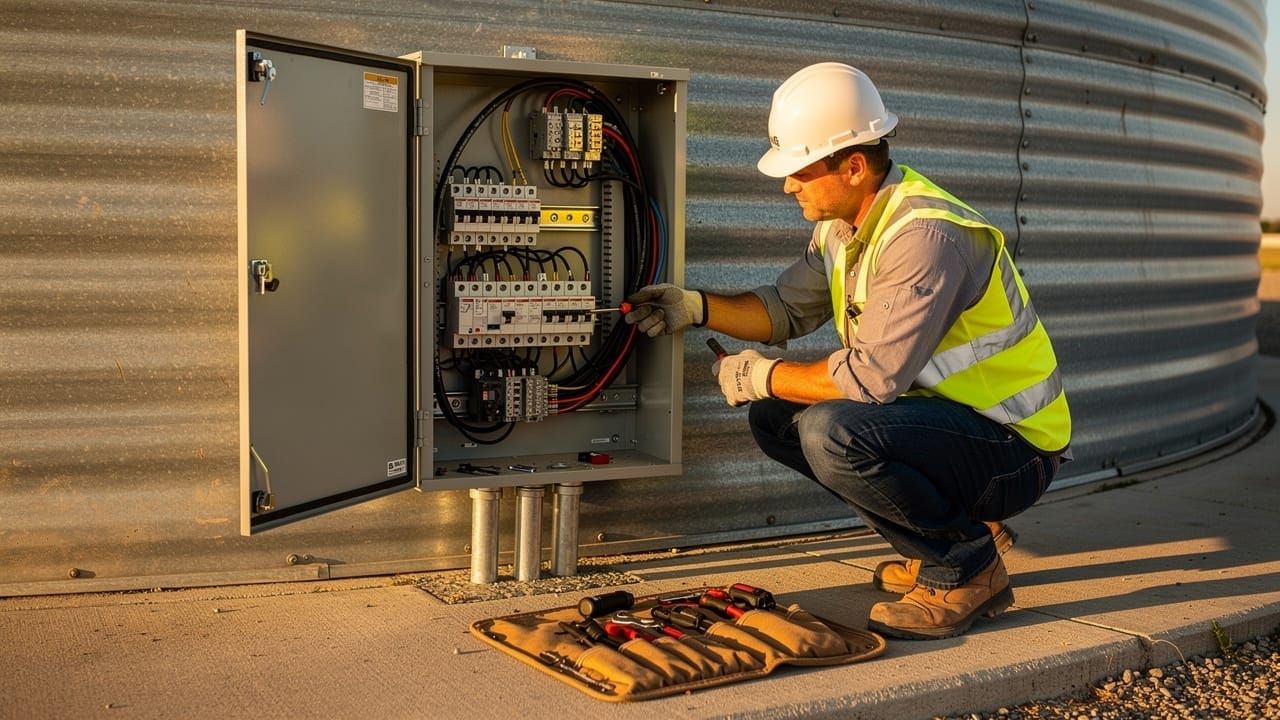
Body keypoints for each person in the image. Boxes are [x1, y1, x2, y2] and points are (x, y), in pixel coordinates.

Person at [624, 62, 1071, 640]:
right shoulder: (843, 228)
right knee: (777, 421)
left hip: (1014, 448)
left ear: (854, 166)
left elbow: (871, 380)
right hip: (950, 429)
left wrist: (764, 375)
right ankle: (951, 533)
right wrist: (696, 305)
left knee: (832, 432)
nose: (788, 186)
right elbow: (784, 308)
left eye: (800, 171)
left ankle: (966, 566)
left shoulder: (924, 238)